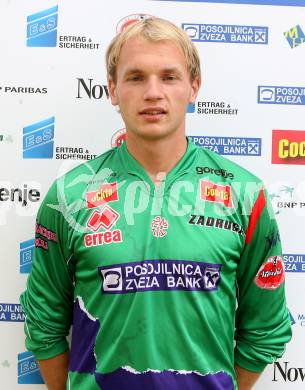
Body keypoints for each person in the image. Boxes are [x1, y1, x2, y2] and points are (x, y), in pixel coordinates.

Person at [20, 17, 292, 390]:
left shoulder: (245, 195)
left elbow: (266, 328)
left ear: (193, 87)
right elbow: (43, 323)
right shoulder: (69, 196)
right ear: (113, 89)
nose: (153, 92)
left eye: (169, 76)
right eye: (135, 77)